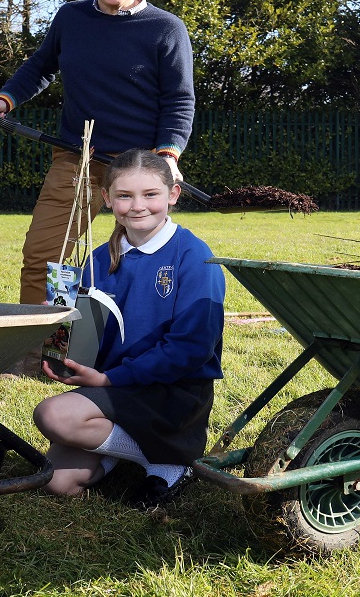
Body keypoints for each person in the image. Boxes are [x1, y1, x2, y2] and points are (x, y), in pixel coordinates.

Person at [0, 0, 195, 376]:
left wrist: (168, 154)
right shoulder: (71, 18)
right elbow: (41, 66)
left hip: (138, 168)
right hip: (77, 159)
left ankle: (131, 353)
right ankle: (41, 352)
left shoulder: (165, 28)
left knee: (137, 263)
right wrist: (5, 100)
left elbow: (179, 99)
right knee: (48, 257)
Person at [32, 149, 225, 509]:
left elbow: (192, 349)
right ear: (107, 199)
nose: (138, 206)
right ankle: (132, 451)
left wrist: (108, 381)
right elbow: (95, 332)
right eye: (124, 195)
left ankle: (170, 460)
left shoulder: (195, 257)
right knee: (58, 482)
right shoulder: (98, 258)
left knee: (52, 414)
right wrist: (63, 330)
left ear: (173, 194)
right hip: (119, 388)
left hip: (172, 394)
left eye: (150, 194)